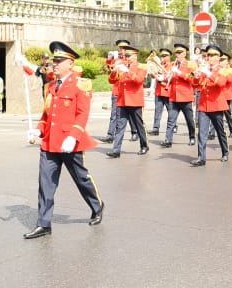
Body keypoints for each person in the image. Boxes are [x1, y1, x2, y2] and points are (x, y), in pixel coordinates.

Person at [23, 41, 104, 239]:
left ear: (70, 63)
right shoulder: (50, 86)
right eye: (54, 61)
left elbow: (82, 114)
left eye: (59, 61)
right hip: (50, 142)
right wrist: (38, 131)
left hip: (70, 142)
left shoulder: (80, 84)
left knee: (81, 178)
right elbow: (46, 115)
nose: (55, 64)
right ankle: (44, 223)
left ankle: (97, 205)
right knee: (46, 183)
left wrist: (73, 136)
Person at [190, 44, 230, 166]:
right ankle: (201, 157)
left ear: (218, 57)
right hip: (204, 105)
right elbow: (195, 85)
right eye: (208, 55)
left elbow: (221, 83)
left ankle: (225, 152)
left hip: (216, 105)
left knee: (220, 131)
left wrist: (208, 73)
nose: (210, 57)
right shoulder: (204, 69)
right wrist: (196, 77)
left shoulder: (223, 70)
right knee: (201, 132)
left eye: (213, 55)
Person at [106, 44, 149, 157]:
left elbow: (139, 80)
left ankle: (144, 145)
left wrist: (128, 71)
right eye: (126, 56)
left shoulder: (141, 67)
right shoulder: (123, 66)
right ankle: (116, 150)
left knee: (139, 125)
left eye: (129, 56)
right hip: (122, 100)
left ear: (135, 56)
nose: (126, 58)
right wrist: (114, 71)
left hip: (134, 101)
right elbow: (111, 81)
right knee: (120, 126)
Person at [162, 43, 197, 148]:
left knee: (189, 120)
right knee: (171, 120)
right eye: (176, 53)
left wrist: (179, 73)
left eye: (180, 52)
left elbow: (192, 79)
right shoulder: (173, 64)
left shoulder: (191, 64)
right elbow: (169, 79)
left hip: (185, 97)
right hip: (174, 96)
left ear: (185, 53)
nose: (177, 55)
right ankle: (168, 140)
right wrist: (163, 78)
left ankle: (192, 137)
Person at [150, 48, 172, 137]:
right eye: (162, 56)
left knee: (171, 111)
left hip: (168, 92)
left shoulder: (172, 66)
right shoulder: (159, 65)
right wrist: (153, 73)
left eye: (165, 56)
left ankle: (173, 125)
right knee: (157, 111)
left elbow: (171, 78)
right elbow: (153, 76)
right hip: (159, 92)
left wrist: (163, 77)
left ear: (169, 56)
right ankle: (155, 128)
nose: (163, 58)